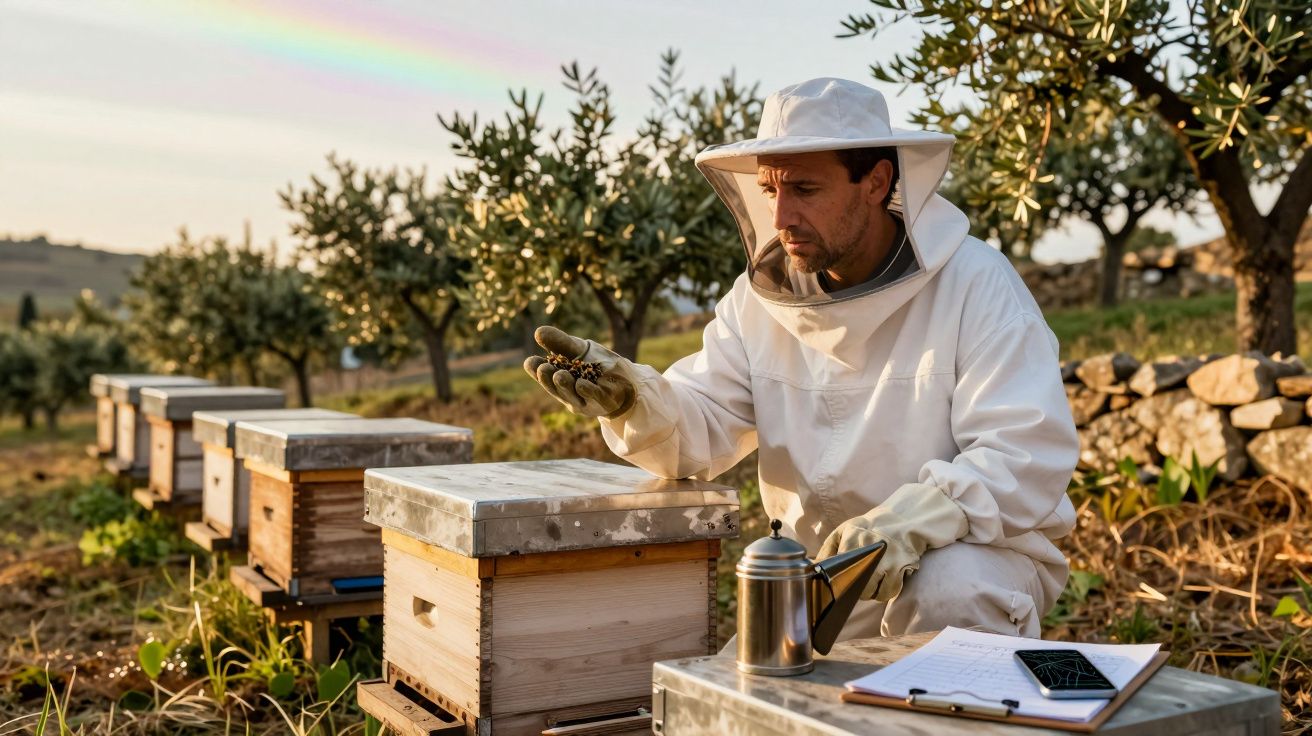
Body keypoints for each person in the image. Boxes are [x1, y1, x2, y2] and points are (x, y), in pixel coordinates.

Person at [525, 77, 1078, 640]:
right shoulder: (756, 302)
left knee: (950, 586)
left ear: (877, 181)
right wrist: (635, 400)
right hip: (813, 575)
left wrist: (915, 520)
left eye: (805, 190)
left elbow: (1023, 451)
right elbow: (704, 426)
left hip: (964, 558)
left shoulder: (975, 284)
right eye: (770, 190)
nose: (782, 215)